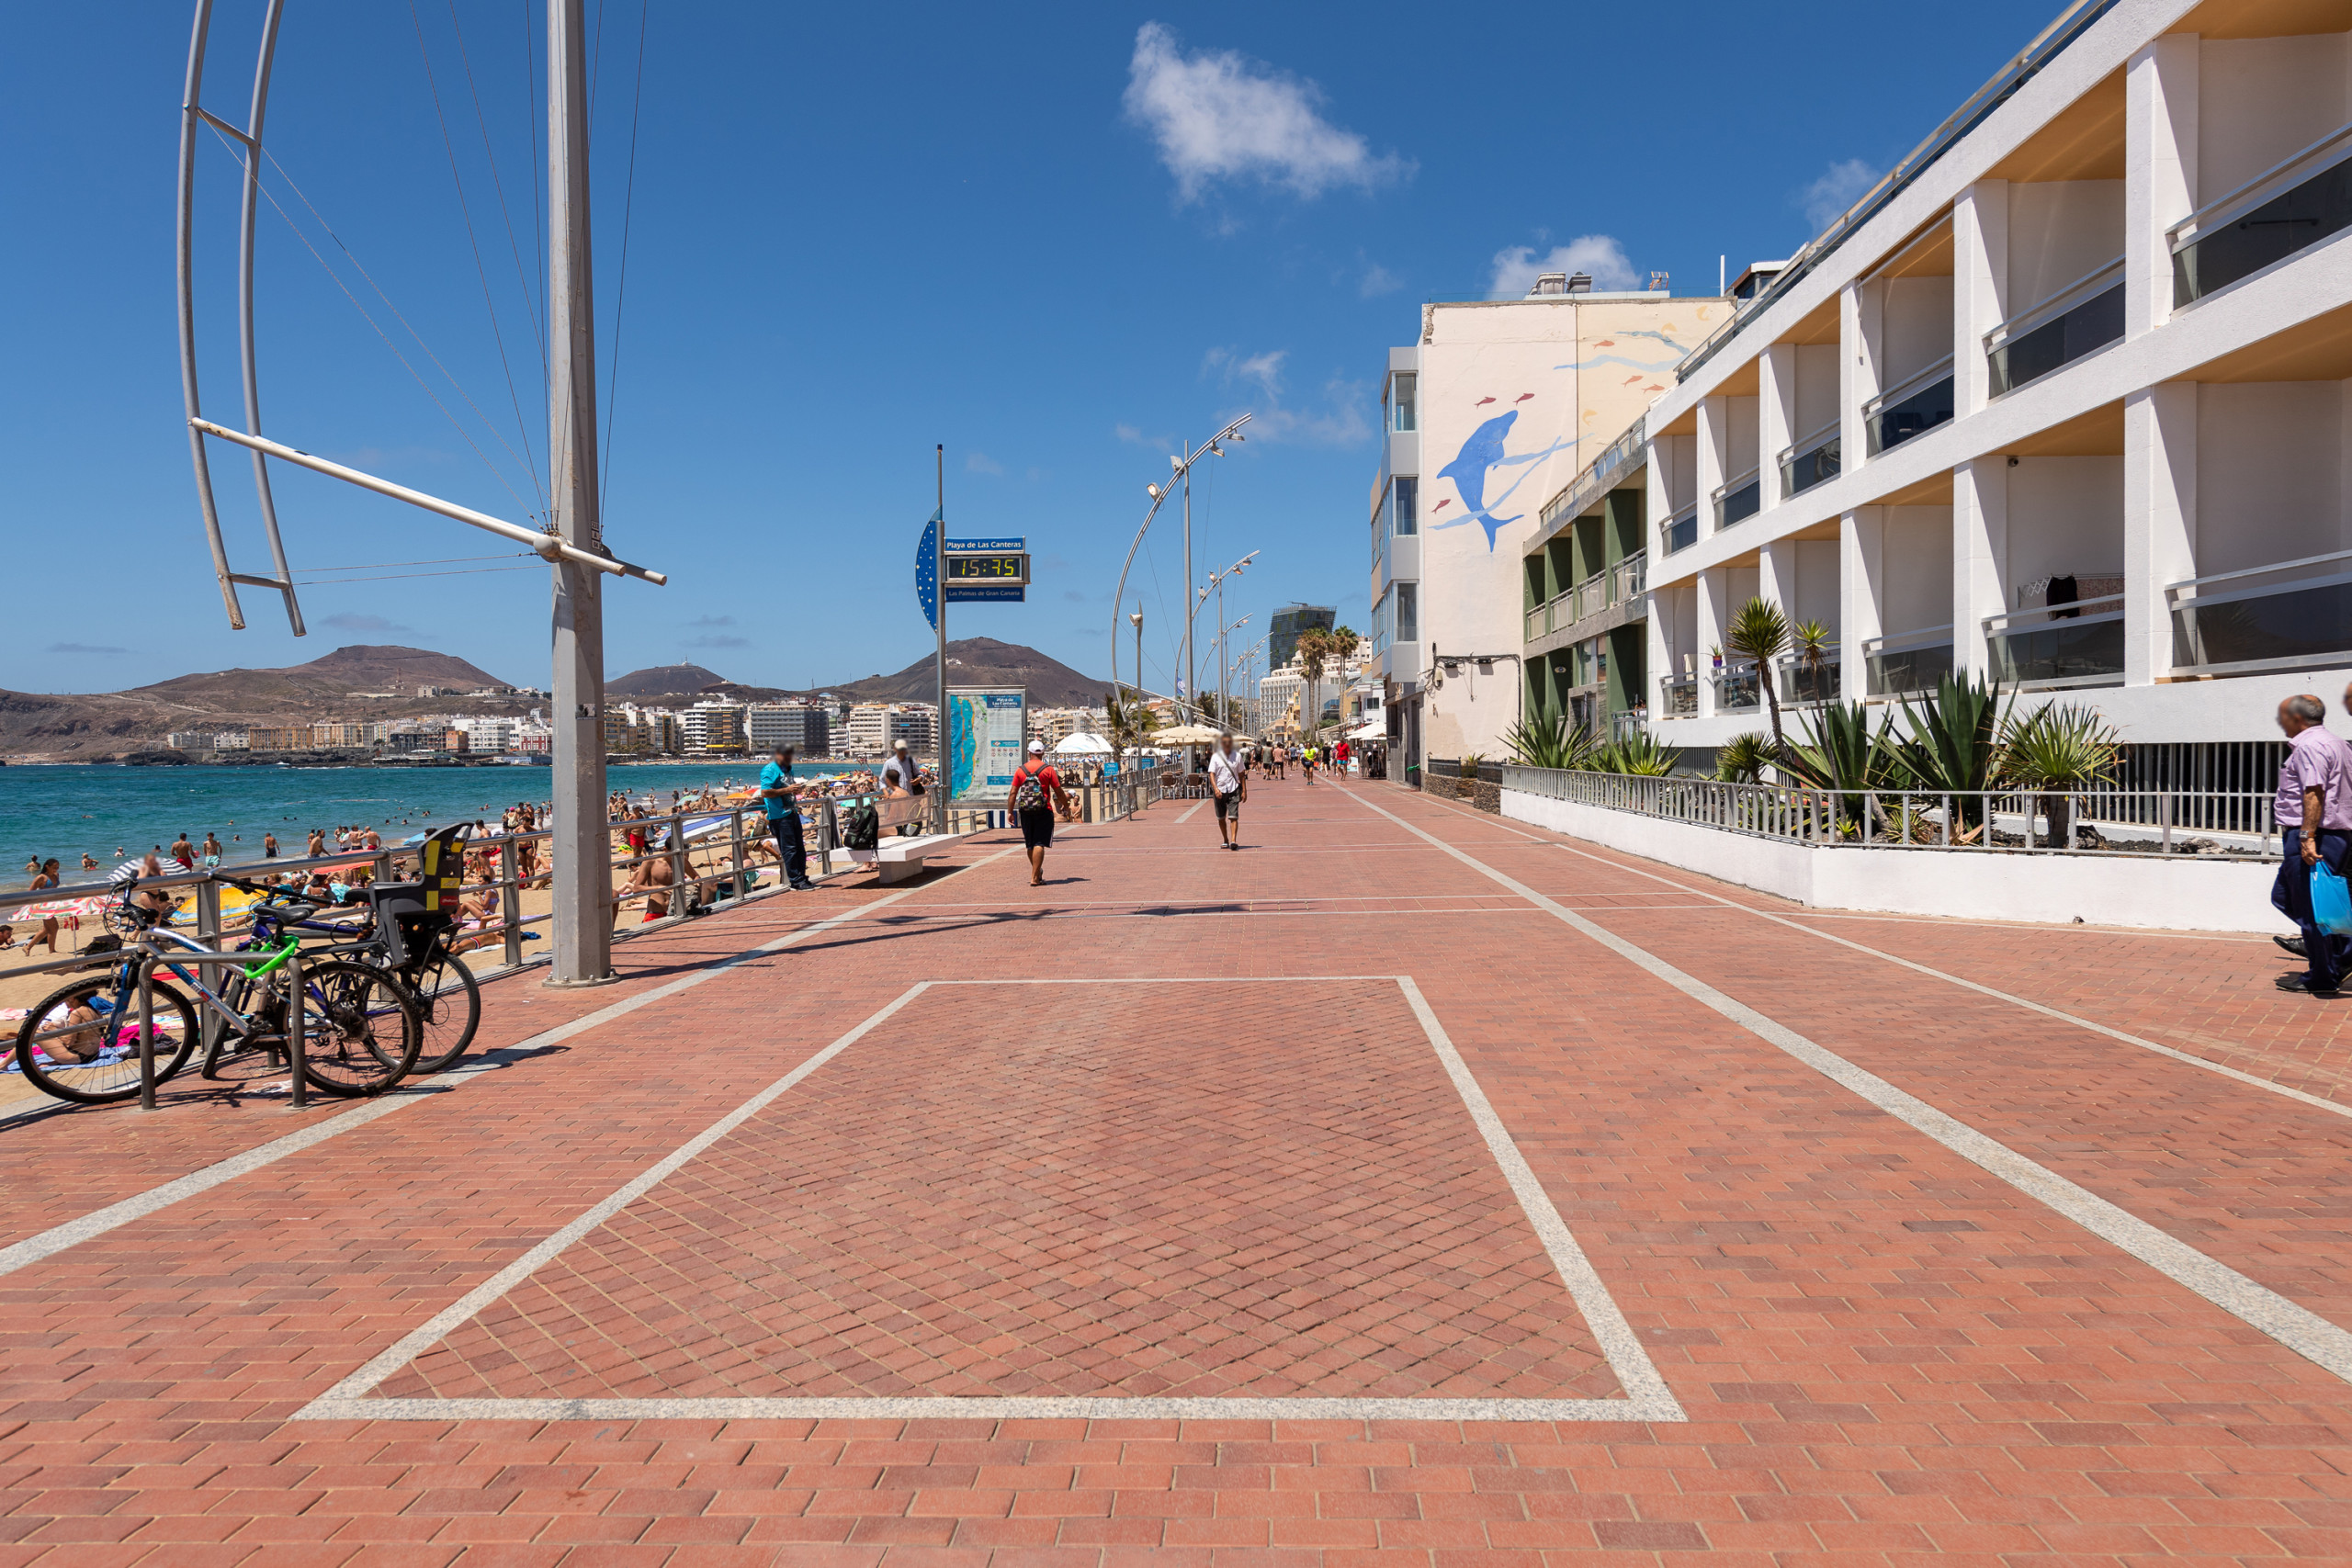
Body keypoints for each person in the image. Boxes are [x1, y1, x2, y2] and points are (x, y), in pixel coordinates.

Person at [2272, 694, 2352, 995]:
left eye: (2282, 716)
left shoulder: (2309, 746)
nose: (2279, 721)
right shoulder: (2338, 743)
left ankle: (2322, 977)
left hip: (2314, 834)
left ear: (2297, 718)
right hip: (2331, 834)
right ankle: (2339, 952)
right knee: (2285, 896)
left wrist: (2307, 837)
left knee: (2312, 910)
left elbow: (2314, 792)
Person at [1010, 739, 1069, 887]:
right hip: (1043, 810)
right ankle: (1035, 877)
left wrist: (1010, 812)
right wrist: (1066, 805)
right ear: (1042, 753)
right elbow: (1058, 791)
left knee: (1030, 844)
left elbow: (1013, 793)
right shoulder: (1048, 770)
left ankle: (1036, 871)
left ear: (1029, 753)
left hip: (1025, 811)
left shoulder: (1021, 770)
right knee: (1039, 843)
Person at [760, 742, 816, 891]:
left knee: (799, 848)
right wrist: (788, 790)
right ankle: (796, 881)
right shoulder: (770, 769)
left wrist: (795, 789)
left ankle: (802, 878)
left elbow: (787, 787)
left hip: (792, 812)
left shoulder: (788, 769)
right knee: (789, 849)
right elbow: (765, 792)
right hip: (779, 816)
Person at [1207, 732, 1249, 852]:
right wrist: (1215, 789)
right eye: (1225, 742)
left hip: (1233, 789)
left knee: (1233, 817)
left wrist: (1244, 791)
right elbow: (1211, 774)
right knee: (1221, 818)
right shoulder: (1215, 757)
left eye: (1229, 742)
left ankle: (1233, 840)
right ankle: (1225, 839)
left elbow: (1241, 774)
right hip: (1219, 790)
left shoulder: (1237, 756)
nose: (1227, 744)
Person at [882, 739, 924, 836]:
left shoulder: (911, 761)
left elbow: (920, 774)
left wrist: (919, 779)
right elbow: (882, 780)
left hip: (911, 798)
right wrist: (885, 792)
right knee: (896, 824)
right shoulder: (889, 763)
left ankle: (906, 836)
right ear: (895, 749)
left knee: (911, 825)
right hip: (896, 798)